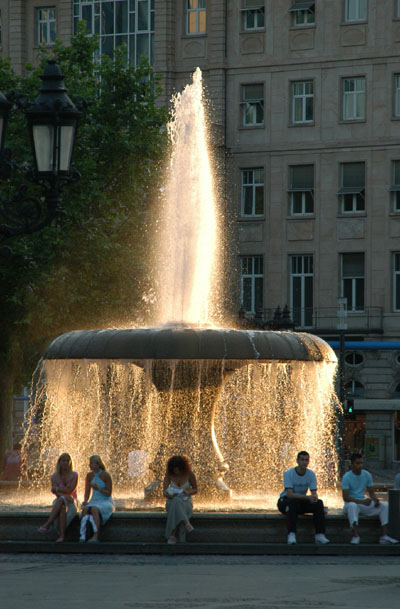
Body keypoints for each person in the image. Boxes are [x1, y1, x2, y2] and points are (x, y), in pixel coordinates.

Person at [342, 453, 398, 544]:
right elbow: (346, 497)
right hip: (351, 504)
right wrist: (362, 501)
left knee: (384, 506)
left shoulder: (366, 474)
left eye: (361, 463)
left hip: (362, 503)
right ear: (351, 464)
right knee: (352, 506)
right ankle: (355, 536)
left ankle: (384, 536)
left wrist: (375, 500)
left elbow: (371, 493)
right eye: (357, 463)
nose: (360, 465)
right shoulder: (346, 477)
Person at [277, 450, 330, 545]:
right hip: (285, 501)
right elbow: (289, 494)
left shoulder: (311, 474)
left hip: (300, 503)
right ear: (297, 461)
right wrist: (308, 498)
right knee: (292, 502)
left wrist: (314, 497)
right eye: (302, 460)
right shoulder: (288, 473)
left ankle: (319, 534)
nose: (304, 462)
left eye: (306, 460)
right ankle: (291, 534)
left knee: (319, 504)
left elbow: (314, 492)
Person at [37, 452, 78, 542]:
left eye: (68, 460)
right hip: (60, 499)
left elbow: (70, 490)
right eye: (64, 460)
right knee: (62, 507)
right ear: (59, 462)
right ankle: (62, 536)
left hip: (71, 500)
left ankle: (47, 524)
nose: (66, 462)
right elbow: (56, 493)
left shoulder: (74, 475)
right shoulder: (54, 476)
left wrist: (57, 489)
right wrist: (60, 493)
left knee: (61, 500)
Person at [163, 455, 197, 544]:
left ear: (183, 468)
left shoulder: (190, 474)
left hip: (186, 502)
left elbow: (195, 489)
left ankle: (172, 535)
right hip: (171, 501)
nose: (176, 471)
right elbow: (164, 492)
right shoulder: (169, 474)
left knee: (177, 502)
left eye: (178, 469)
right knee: (176, 500)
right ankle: (186, 523)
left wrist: (188, 492)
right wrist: (169, 495)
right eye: (174, 469)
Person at [80, 454, 115, 543]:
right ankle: (83, 535)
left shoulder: (106, 475)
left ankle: (95, 536)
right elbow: (87, 491)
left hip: (105, 500)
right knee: (85, 509)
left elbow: (109, 493)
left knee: (94, 509)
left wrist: (99, 488)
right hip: (94, 500)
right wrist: (85, 501)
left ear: (98, 464)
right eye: (89, 463)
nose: (90, 465)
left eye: (92, 463)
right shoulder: (89, 475)